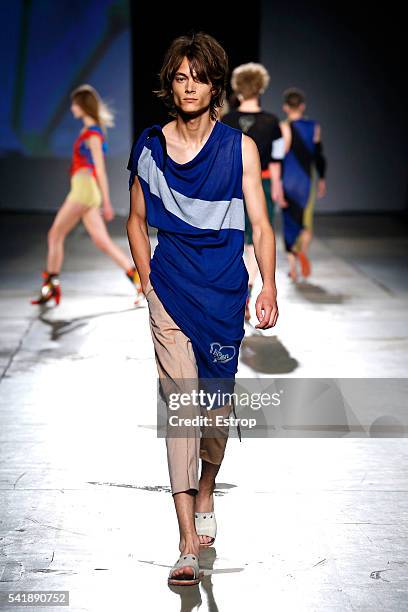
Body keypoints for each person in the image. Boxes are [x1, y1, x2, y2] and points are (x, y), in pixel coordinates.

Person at [126, 32, 279, 586]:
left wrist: (268, 286)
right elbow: (136, 220)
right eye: (180, 76)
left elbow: (260, 224)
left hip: (223, 294)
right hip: (169, 289)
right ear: (170, 83)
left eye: (200, 77)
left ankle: (208, 487)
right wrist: (148, 283)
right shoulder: (149, 147)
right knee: (181, 406)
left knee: (214, 412)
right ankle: (186, 539)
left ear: (216, 85)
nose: (189, 87)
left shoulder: (239, 148)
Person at [30, 84, 143, 306]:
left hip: (84, 190)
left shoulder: (92, 134)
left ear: (83, 105)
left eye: (74, 104)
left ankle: (51, 285)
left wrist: (107, 202)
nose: (72, 108)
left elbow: (99, 168)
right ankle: (137, 278)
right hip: (83, 188)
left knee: (55, 234)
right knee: (102, 241)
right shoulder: (89, 130)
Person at [222, 63, 285, 320]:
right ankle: (247, 288)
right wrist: (277, 190)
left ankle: (238, 290)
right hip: (264, 183)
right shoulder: (272, 122)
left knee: (237, 241)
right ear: (261, 87)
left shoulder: (226, 120)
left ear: (237, 87)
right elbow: (277, 160)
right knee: (257, 239)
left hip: (232, 187)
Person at [279, 88, 327, 281]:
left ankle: (292, 268)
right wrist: (322, 179)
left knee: (289, 222)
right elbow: (318, 155)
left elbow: (280, 156)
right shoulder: (314, 126)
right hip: (307, 180)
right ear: (302, 106)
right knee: (305, 222)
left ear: (285, 107)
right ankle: (303, 250)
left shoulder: (284, 128)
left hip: (288, 180)